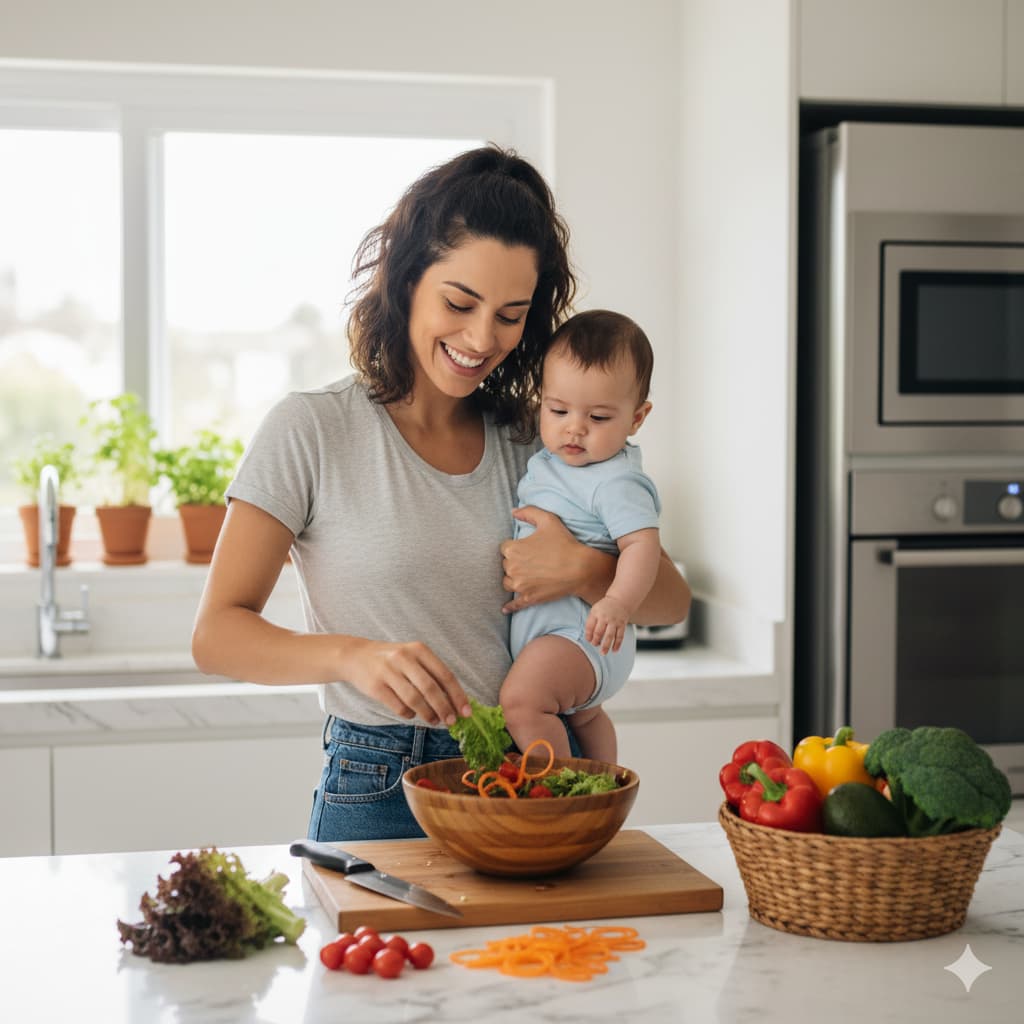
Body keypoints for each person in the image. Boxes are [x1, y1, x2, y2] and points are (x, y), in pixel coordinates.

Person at [191, 144, 691, 842]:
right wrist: (353, 656)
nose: (482, 338)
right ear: (406, 281)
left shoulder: (540, 437)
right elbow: (217, 635)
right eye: (460, 302)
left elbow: (670, 603)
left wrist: (584, 569)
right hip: (379, 778)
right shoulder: (312, 429)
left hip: (528, 772)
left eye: (511, 315)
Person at [501, 310, 660, 765]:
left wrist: (618, 603)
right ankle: (605, 782)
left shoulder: (615, 481)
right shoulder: (553, 461)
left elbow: (642, 545)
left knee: (522, 703)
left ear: (637, 417)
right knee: (586, 717)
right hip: (561, 635)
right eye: (558, 410)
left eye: (599, 416)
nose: (575, 427)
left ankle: (560, 789)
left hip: (583, 634)